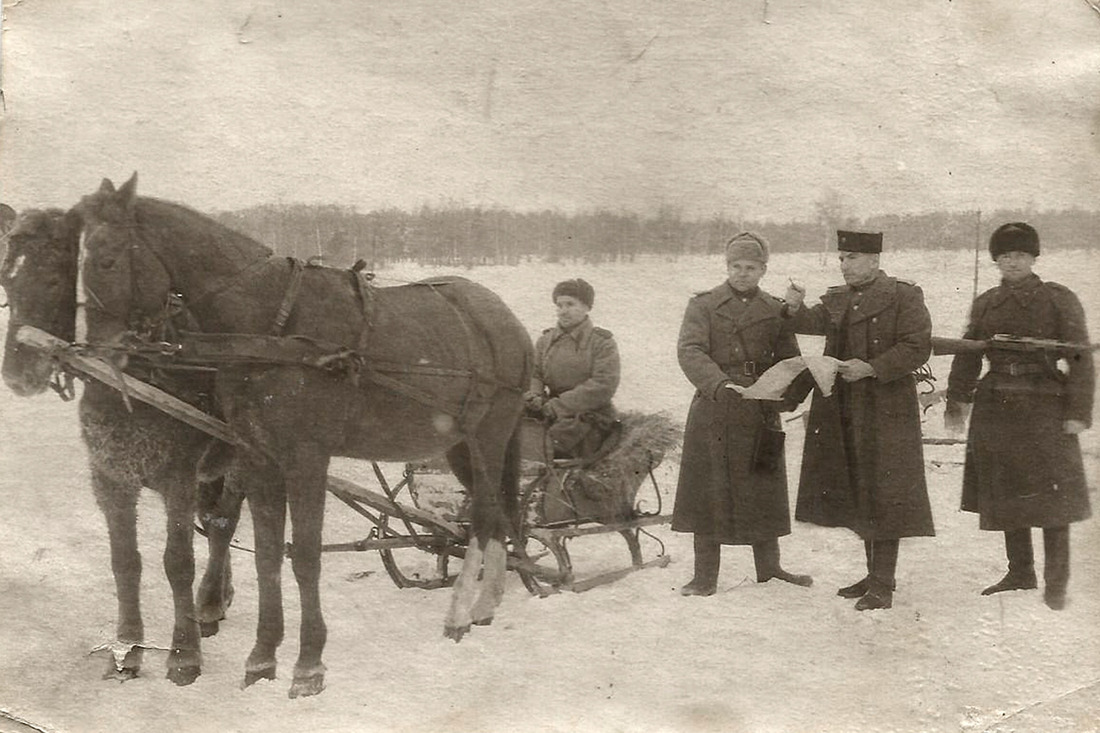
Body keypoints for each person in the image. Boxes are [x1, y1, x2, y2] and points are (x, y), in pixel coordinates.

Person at [944, 222, 1093, 610]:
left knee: (1052, 497)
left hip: (1046, 405)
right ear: (996, 260)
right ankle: (1020, 571)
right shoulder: (986, 303)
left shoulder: (1059, 300)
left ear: (1034, 258)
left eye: (1021, 255)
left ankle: (1056, 583)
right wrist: (957, 399)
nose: (1013, 262)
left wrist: (1078, 412)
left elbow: (1080, 358)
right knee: (1007, 491)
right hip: (997, 405)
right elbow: (968, 352)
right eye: (1006, 256)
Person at [783, 230, 934, 611]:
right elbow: (809, 322)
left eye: (851, 257)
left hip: (886, 407)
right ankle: (873, 575)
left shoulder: (904, 295)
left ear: (874, 260)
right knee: (857, 487)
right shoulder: (837, 298)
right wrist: (794, 307)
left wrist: (871, 367)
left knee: (884, 490)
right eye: (841, 258)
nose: (844, 265)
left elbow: (917, 346)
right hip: (844, 408)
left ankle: (882, 583)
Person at [671, 232, 813, 597]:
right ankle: (704, 576)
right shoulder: (703, 305)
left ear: (764, 270)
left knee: (763, 485)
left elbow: (790, 359)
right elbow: (690, 351)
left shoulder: (776, 309)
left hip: (761, 409)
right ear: (726, 266)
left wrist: (789, 396)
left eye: (751, 267)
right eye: (736, 266)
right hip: (715, 407)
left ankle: (770, 567)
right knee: (709, 489)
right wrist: (718, 385)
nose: (742, 273)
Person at [525, 278, 621, 459]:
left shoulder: (602, 342)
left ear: (586, 307)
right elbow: (534, 373)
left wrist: (558, 406)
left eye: (570, 304)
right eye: (559, 305)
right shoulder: (545, 340)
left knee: (555, 440)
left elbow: (603, 385)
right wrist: (535, 396)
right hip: (548, 407)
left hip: (588, 413)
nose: (563, 311)